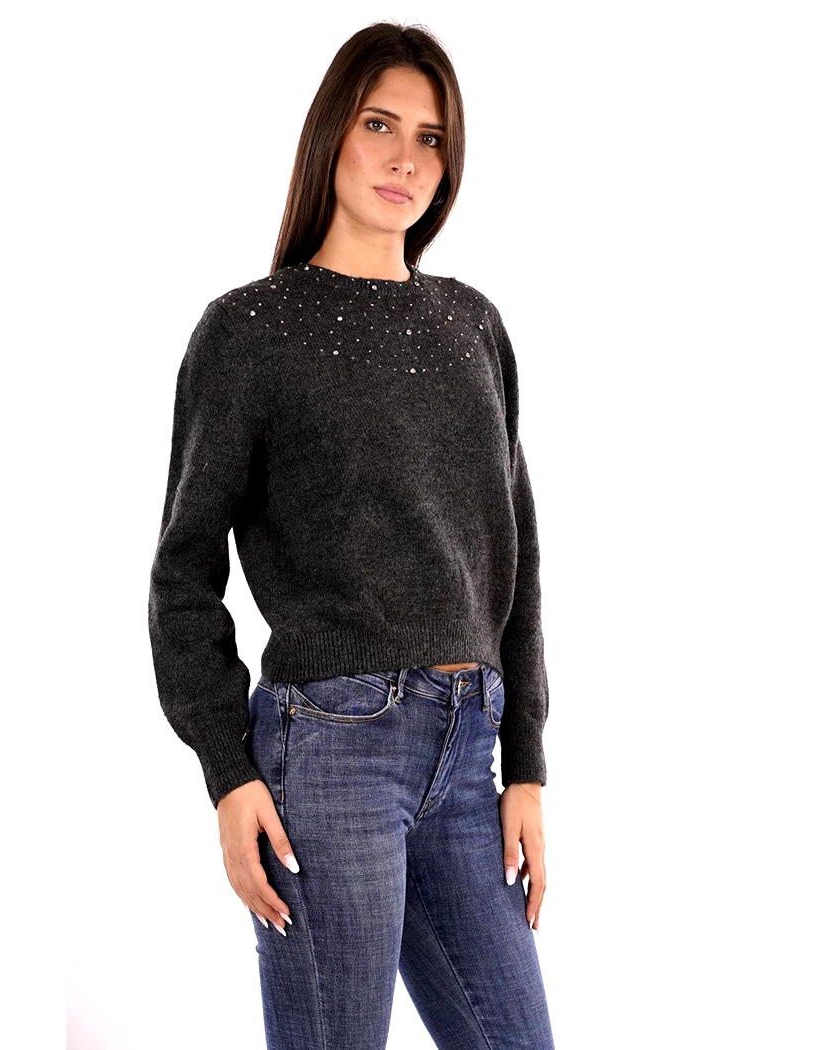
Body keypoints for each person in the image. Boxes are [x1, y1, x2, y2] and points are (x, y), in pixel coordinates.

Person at [148, 21, 555, 1050]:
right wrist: (228, 771)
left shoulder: (473, 326)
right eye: (381, 125)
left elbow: (515, 559)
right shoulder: (250, 332)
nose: (405, 158)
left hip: (468, 752)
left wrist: (526, 763)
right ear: (333, 131)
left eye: (431, 138)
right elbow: (183, 575)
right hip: (331, 755)